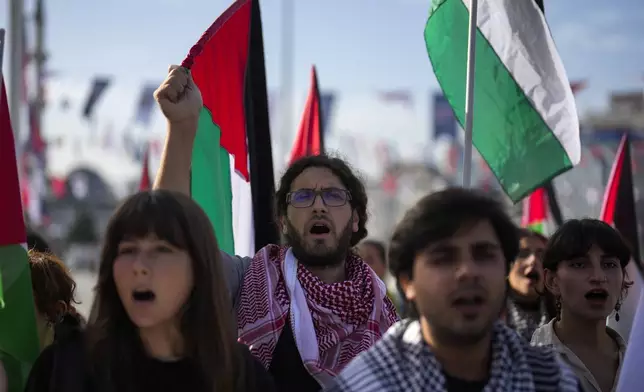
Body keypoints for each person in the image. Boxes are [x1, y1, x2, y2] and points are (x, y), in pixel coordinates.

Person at [153, 66, 398, 391]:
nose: (319, 206)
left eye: (334, 196)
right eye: (304, 196)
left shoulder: (385, 316)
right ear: (283, 219)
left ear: (355, 219)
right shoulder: (246, 281)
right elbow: (171, 245)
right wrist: (182, 128)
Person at [325, 188, 580, 392]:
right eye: (444, 258)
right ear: (407, 282)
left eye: (484, 255)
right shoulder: (364, 384)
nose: (467, 272)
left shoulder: (552, 380)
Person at [25, 190, 274, 392]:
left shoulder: (240, 376)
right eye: (128, 251)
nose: (139, 267)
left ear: (199, 267)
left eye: (161, 250)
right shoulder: (64, 369)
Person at [531, 219, 630, 392]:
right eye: (579, 265)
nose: (598, 277)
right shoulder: (527, 363)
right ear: (552, 281)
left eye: (609, 265)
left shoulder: (635, 359)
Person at [505, 228, 551, 340]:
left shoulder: (565, 317)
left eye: (541, 255)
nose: (533, 260)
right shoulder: (489, 318)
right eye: (523, 254)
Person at [358, 239, 403, 314]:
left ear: (384, 265)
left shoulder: (395, 302)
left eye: (369, 260)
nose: (363, 266)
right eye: (359, 260)